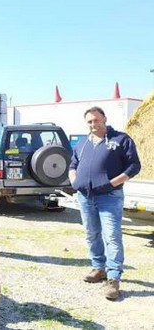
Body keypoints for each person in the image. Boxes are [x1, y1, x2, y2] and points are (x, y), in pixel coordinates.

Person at [69, 106, 140, 301]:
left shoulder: (121, 139)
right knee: (91, 234)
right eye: (90, 121)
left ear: (104, 119)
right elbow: (72, 164)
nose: (93, 124)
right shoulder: (83, 143)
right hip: (85, 196)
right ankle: (98, 268)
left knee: (112, 236)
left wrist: (111, 183)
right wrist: (74, 180)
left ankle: (114, 278)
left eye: (96, 120)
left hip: (110, 197)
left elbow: (134, 166)